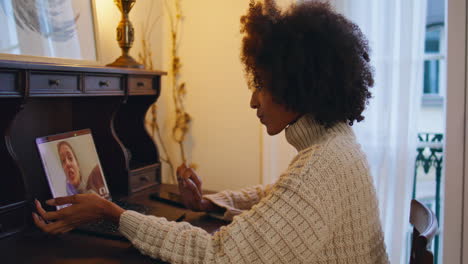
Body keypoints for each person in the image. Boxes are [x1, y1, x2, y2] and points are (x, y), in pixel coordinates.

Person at [33, 1, 389, 263]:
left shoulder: (320, 168)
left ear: (298, 86)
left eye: (261, 85)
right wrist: (210, 203)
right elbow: (276, 195)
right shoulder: (336, 145)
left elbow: (216, 254)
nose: (253, 101)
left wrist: (113, 214)